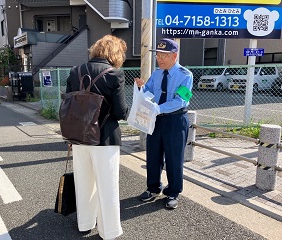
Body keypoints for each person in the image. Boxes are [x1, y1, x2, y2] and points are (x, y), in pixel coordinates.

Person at [65, 34, 129, 240]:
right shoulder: (114, 74)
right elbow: (120, 112)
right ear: (115, 54)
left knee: (84, 182)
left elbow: (68, 105)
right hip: (105, 138)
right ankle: (109, 231)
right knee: (107, 186)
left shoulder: (75, 72)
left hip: (79, 136)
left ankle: (85, 223)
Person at [135, 38, 193, 209]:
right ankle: (153, 188)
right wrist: (141, 87)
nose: (159, 58)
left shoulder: (185, 75)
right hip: (156, 119)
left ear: (174, 56)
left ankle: (173, 192)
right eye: (158, 55)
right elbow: (149, 92)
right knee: (153, 155)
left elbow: (181, 100)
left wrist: (157, 109)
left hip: (176, 120)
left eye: (163, 55)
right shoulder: (156, 74)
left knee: (174, 158)